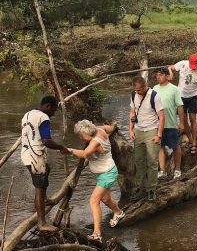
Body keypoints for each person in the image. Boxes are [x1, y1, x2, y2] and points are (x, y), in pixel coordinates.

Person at [67, 120, 125, 242]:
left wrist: (70, 150)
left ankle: (97, 234)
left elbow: (85, 154)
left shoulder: (95, 141)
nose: (80, 137)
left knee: (94, 201)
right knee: (105, 198)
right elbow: (110, 128)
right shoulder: (100, 129)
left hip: (107, 174)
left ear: (85, 132)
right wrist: (113, 126)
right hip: (103, 172)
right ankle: (118, 213)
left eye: (80, 135)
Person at [20, 95, 69, 231]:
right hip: (36, 157)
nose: (53, 114)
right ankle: (42, 223)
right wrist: (60, 147)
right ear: (48, 106)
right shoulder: (44, 117)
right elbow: (46, 141)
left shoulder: (27, 115)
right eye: (53, 110)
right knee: (39, 189)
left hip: (26, 155)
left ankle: (45, 200)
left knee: (47, 169)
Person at [129, 76, 165, 201]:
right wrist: (130, 129)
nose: (139, 92)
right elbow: (132, 113)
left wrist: (159, 134)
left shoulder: (155, 96)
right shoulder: (133, 95)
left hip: (151, 131)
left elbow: (161, 116)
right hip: (138, 131)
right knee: (139, 161)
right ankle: (140, 188)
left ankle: (151, 189)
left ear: (145, 86)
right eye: (137, 90)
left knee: (152, 162)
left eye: (140, 89)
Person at [153, 67, 184, 180]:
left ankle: (177, 169)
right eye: (157, 75)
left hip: (171, 123)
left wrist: (181, 123)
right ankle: (162, 170)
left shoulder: (174, 89)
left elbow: (180, 106)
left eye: (160, 75)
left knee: (175, 146)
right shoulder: (155, 88)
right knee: (160, 147)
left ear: (167, 76)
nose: (158, 77)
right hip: (157, 124)